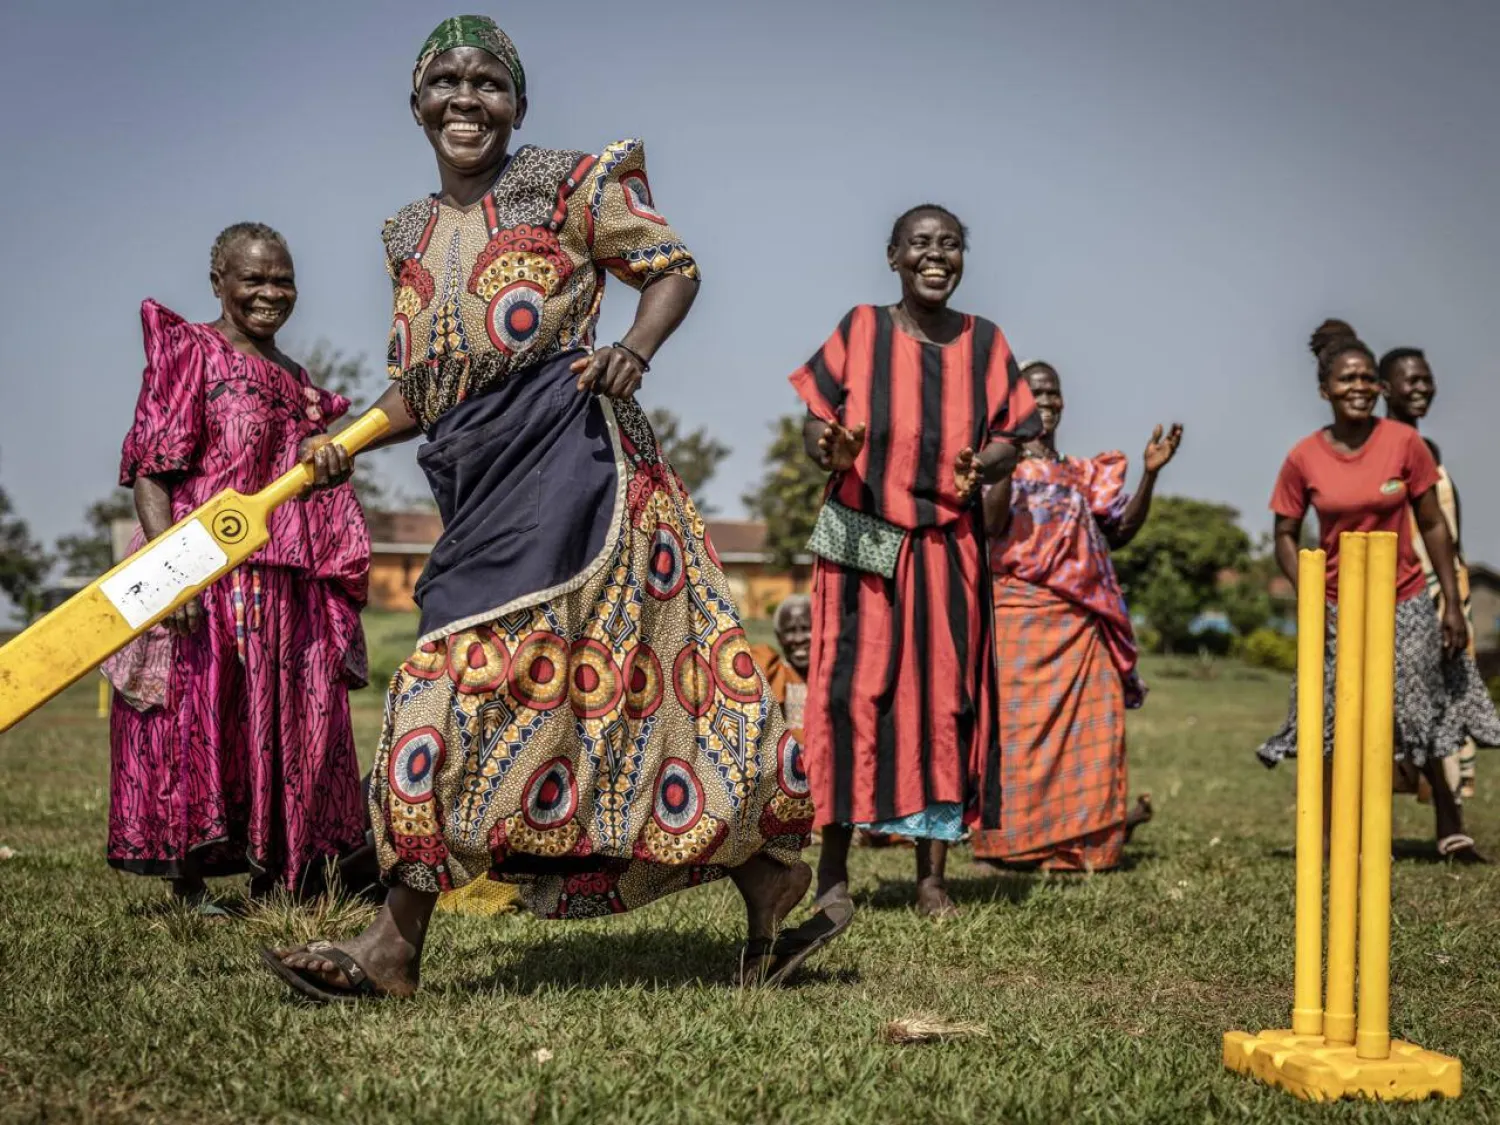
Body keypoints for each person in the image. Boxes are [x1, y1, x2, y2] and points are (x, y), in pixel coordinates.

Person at [263, 16, 831, 1001]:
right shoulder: (407, 234)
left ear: (518, 105)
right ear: (415, 105)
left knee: (455, 684)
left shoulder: (570, 185)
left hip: (581, 468)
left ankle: (392, 947)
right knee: (585, 708)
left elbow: (672, 267)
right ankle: (769, 877)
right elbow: (428, 385)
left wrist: (634, 350)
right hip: (480, 486)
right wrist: (341, 445)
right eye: (445, 81)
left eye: (489, 83)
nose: (466, 99)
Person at [104, 223, 370, 908]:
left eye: (282, 279)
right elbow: (152, 474)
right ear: (217, 280)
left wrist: (327, 457)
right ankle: (189, 886)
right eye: (253, 279)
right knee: (197, 718)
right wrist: (173, 573)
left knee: (284, 724)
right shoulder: (191, 350)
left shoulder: (297, 379)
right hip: (205, 571)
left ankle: (278, 874)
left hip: (283, 579)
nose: (270, 293)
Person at [789, 203, 1039, 921]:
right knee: (847, 692)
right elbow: (817, 417)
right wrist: (827, 447)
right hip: (858, 525)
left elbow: (1011, 436)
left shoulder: (985, 343)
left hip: (945, 540)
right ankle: (833, 867)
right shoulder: (861, 328)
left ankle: (931, 875)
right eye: (921, 244)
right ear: (893, 255)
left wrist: (984, 463)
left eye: (951, 244)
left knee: (941, 698)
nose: (938, 256)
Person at [1257, 334, 1499, 862]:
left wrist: (1453, 605)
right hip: (1336, 604)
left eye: (1367, 378)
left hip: (1404, 596)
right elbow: (1284, 534)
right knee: (1332, 715)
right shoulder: (1303, 457)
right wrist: (1308, 590)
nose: (1360, 387)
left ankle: (1451, 829)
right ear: (1325, 390)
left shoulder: (1403, 444)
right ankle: (1330, 832)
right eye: (1347, 379)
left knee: (1422, 710)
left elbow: (1433, 523)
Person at [972, 361, 1177, 872]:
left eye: (1053, 392)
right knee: (1016, 738)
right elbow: (991, 526)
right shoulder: (1000, 464)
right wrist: (1004, 453)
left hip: (1082, 621)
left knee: (1094, 734)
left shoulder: (1086, 473)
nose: (1046, 400)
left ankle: (1083, 845)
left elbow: (1118, 533)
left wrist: (1150, 474)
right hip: (1018, 614)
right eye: (1034, 392)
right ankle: (1011, 845)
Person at [1382, 346, 1478, 801]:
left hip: (1449, 592)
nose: (1421, 388)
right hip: (1405, 591)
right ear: (1385, 389)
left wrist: (1456, 599)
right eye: (1410, 381)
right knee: (1406, 704)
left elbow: (1445, 525)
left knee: (1449, 700)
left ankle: (1450, 822)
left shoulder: (1429, 450)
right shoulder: (1378, 449)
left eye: (1426, 379)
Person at [750, 595, 811, 739]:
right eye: (790, 631)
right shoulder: (770, 670)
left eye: (806, 628)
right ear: (779, 636)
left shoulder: (833, 677)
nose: (798, 638)